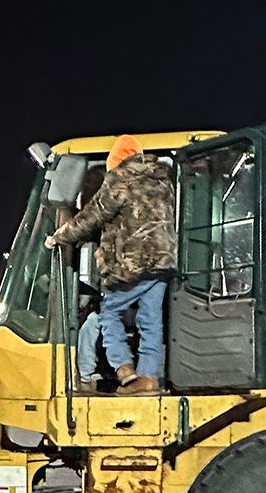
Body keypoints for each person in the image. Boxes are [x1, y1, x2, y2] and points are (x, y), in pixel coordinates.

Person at [45, 134, 176, 396]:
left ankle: (125, 372)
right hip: (163, 262)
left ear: (116, 160)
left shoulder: (120, 180)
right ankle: (148, 378)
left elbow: (92, 217)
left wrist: (58, 237)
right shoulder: (162, 181)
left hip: (133, 263)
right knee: (150, 319)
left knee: (108, 313)